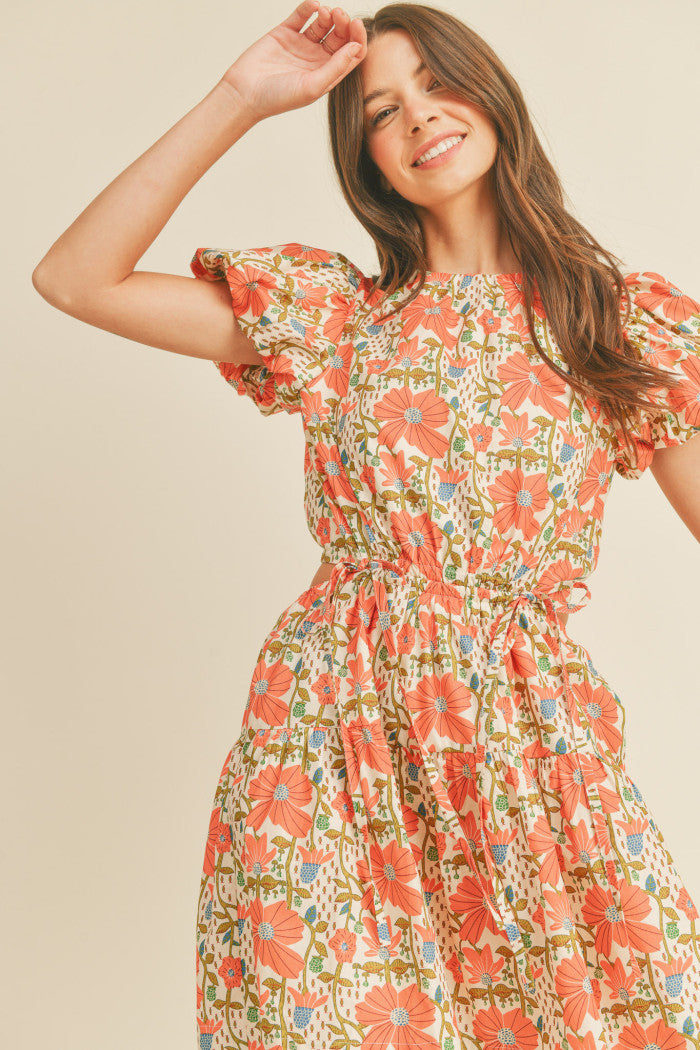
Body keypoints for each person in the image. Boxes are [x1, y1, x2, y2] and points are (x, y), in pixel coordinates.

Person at [32, 1, 700, 1046]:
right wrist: (242, 99)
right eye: (382, 110)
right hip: (329, 746)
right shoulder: (335, 321)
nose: (421, 117)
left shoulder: (614, 324)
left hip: (526, 751)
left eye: (439, 82)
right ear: (365, 159)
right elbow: (75, 279)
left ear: (494, 96)